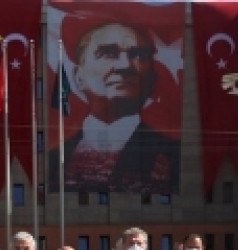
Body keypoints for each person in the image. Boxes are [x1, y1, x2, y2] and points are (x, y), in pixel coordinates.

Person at [49, 13, 180, 194]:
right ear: (79, 77)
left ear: (152, 80)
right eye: (108, 53)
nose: (124, 65)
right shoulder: (54, 156)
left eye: (138, 55)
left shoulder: (172, 153)